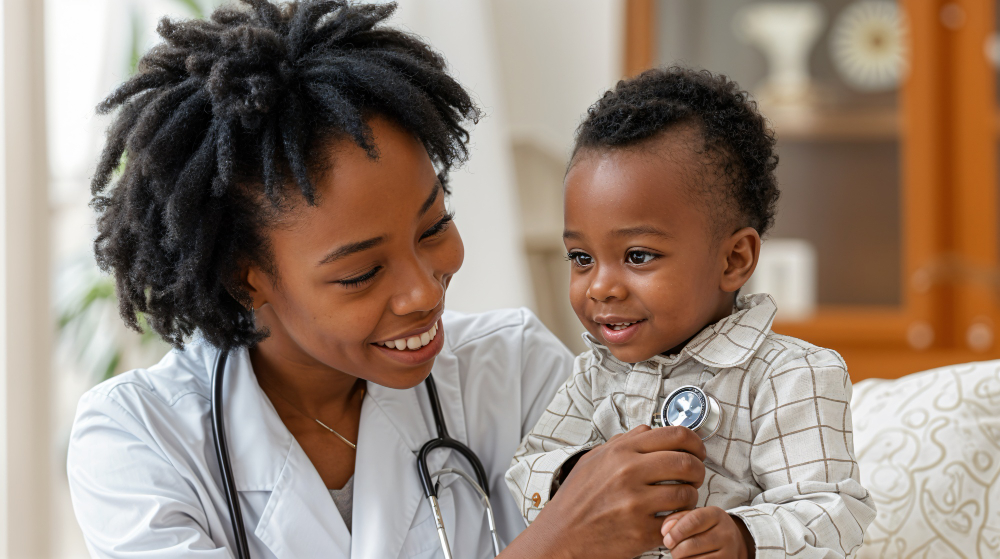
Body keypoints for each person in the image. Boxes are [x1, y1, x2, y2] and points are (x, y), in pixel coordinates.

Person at [66, 2, 708, 558]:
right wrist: (554, 544)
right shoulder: (138, 441)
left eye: (433, 227)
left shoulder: (513, 373)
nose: (424, 292)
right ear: (245, 277)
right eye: (362, 272)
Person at [505, 67, 877, 559]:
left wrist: (743, 539)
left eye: (638, 256)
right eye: (581, 258)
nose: (600, 287)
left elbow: (833, 512)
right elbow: (528, 465)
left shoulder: (791, 376)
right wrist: (579, 476)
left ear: (734, 260)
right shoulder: (596, 375)